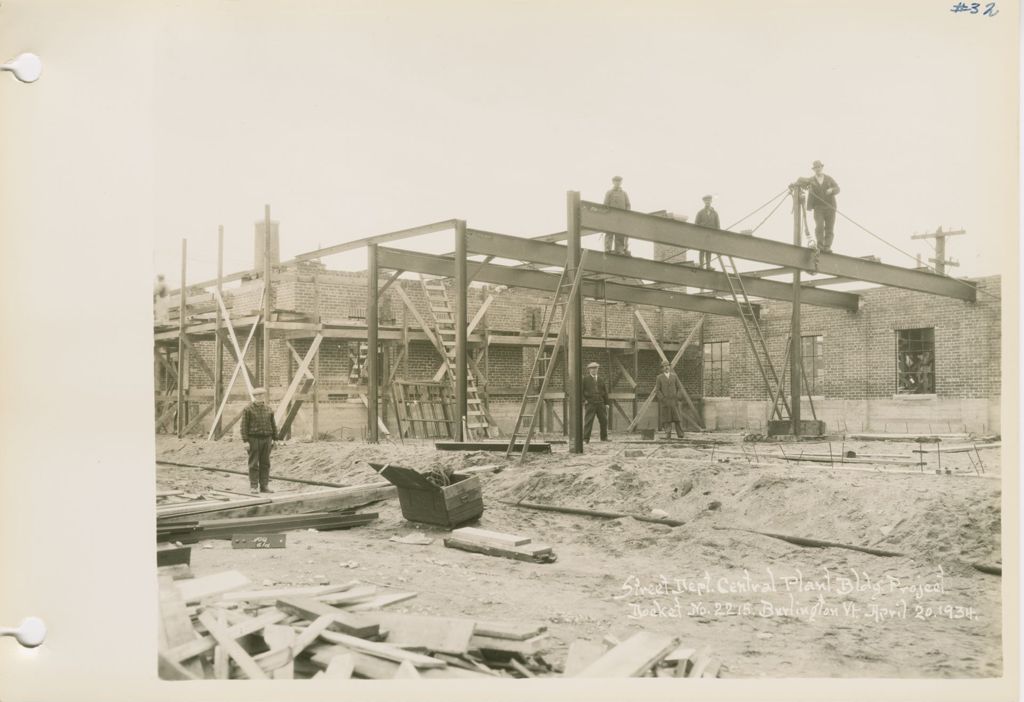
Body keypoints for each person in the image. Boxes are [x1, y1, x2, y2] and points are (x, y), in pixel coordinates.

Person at [796, 160, 840, 253]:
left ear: (822, 167)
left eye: (819, 167)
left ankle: (827, 247)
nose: (817, 169)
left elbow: (838, 188)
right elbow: (800, 180)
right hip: (818, 208)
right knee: (819, 226)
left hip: (830, 207)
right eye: (815, 168)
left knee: (829, 228)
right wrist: (798, 184)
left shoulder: (829, 179)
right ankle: (820, 246)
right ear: (814, 169)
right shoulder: (811, 180)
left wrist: (832, 190)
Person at [241, 387, 277, 494]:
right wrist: (245, 441)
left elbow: (273, 425)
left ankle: (264, 486)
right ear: (254, 396)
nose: (261, 397)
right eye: (258, 395)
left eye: (262, 395)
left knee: (265, 463)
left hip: (267, 439)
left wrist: (275, 439)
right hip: (254, 439)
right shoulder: (248, 409)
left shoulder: (268, 409)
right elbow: (244, 426)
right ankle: (254, 486)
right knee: (253, 464)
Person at [654, 361, 685, 439]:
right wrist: (663, 399)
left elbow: (680, 388)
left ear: (670, 367)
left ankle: (680, 434)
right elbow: (657, 390)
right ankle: (668, 434)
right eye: (664, 366)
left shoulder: (674, 376)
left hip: (674, 401)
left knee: (677, 418)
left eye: (667, 366)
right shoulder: (659, 377)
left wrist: (677, 396)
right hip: (665, 402)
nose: (666, 367)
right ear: (662, 368)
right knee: (667, 419)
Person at [603, 176, 631, 255]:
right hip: (611, 216)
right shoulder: (609, 192)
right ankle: (607, 249)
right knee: (609, 233)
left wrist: (626, 214)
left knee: (620, 234)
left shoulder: (624, 193)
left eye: (619, 181)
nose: (618, 183)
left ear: (621, 182)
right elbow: (605, 204)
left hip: (621, 218)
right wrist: (607, 215)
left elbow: (628, 205)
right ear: (613, 182)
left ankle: (619, 251)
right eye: (616, 181)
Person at [582, 361, 609, 443]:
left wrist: (606, 403)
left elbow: (605, 392)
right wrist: (584, 400)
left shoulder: (601, 379)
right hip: (590, 403)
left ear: (598, 369)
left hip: (600, 403)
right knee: (588, 421)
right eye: (592, 369)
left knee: (604, 420)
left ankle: (604, 438)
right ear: (589, 370)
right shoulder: (585, 379)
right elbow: (580, 391)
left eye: (595, 368)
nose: (594, 370)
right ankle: (586, 439)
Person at [694, 194, 720, 269]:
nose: (707, 202)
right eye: (706, 201)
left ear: (711, 201)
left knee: (709, 250)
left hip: (711, 235)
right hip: (702, 235)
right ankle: (701, 265)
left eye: (708, 200)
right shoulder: (700, 213)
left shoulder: (715, 213)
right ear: (704, 202)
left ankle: (708, 265)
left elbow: (718, 226)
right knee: (701, 250)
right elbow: (696, 224)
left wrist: (717, 236)